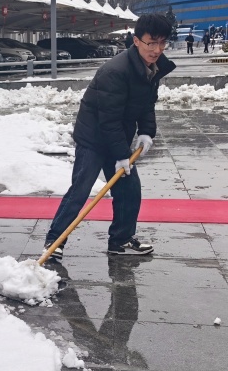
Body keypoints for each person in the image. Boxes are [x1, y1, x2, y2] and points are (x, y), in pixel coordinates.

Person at [42, 13, 176, 260]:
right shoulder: (115, 71)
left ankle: (121, 240)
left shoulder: (153, 67)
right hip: (93, 137)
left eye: (162, 43)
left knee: (129, 189)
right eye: (151, 43)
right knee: (81, 189)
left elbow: (147, 104)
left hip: (117, 136)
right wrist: (121, 155)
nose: (157, 50)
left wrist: (146, 132)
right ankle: (54, 241)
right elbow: (108, 119)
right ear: (136, 41)